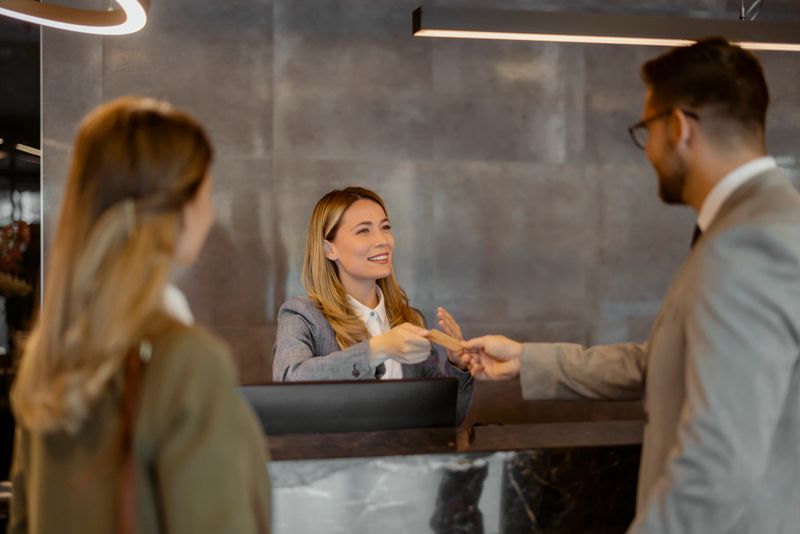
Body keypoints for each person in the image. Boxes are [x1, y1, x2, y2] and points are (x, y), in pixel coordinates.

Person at [461, 37, 800, 533]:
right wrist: (529, 360)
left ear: (679, 127)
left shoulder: (747, 244)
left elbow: (717, 463)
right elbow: (668, 362)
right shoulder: (762, 222)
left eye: (648, 129)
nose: (649, 153)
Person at [9, 97, 270, 533]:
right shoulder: (186, 360)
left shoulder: (49, 357)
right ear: (179, 207)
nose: (210, 210)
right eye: (207, 188)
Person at [273, 186, 473, 422]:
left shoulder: (409, 319)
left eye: (385, 227)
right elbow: (290, 384)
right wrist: (377, 349)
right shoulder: (302, 316)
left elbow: (446, 417)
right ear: (330, 249)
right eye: (364, 231)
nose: (382, 241)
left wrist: (458, 364)